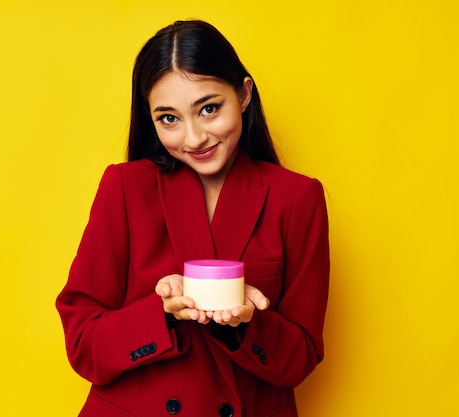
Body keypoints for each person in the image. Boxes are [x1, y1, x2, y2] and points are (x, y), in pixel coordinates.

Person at [56, 19, 330, 417]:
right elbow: (82, 342)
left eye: (209, 108)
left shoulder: (297, 198)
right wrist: (162, 313)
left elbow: (302, 357)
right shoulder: (126, 187)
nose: (194, 137)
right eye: (169, 118)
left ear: (244, 94)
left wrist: (245, 322)